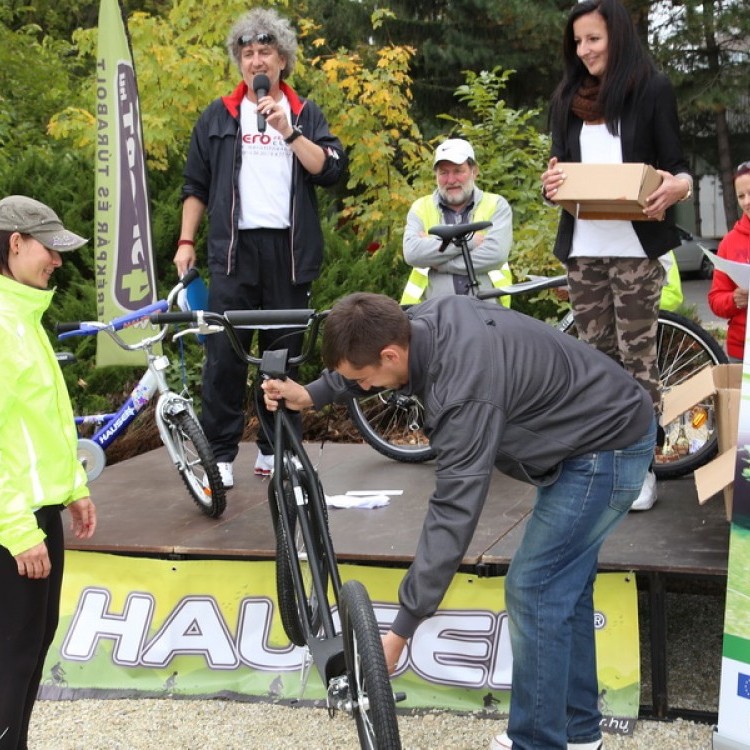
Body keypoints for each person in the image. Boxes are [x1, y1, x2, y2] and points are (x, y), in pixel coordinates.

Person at [262, 291, 656, 750]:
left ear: (391, 353)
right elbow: (363, 368)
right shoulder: (426, 319)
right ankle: (578, 733)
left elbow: (454, 510)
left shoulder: (464, 394)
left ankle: (537, 743)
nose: (364, 389)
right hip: (598, 430)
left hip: (606, 451)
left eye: (365, 379)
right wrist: (311, 393)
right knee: (563, 589)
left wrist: (402, 628)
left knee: (533, 588)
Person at [174, 7, 347, 488]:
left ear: (283, 61)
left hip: (289, 252)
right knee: (224, 356)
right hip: (233, 251)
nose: (256, 62)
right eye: (247, 54)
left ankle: (277, 447)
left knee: (282, 356)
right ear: (239, 64)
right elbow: (196, 185)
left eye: (265, 52)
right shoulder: (219, 114)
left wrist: (289, 131)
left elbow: (332, 171)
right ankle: (220, 455)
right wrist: (186, 241)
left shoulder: (305, 112)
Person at [541, 0, 693, 512]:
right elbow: (559, 176)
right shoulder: (566, 97)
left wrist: (675, 189)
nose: (584, 51)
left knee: (636, 361)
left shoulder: (651, 88)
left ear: (618, 38)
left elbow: (679, 169)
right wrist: (550, 185)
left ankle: (641, 468)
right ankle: (605, 465)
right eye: (578, 42)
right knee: (596, 363)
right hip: (584, 249)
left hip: (635, 248)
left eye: (594, 40)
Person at [0, 195, 97, 749]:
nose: (57, 261)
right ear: (15, 243)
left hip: (38, 514)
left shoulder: (24, 314)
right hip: (14, 526)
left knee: (31, 649)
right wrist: (16, 528)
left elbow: (40, 420)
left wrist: (73, 487)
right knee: (11, 658)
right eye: (50, 249)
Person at [401, 138, 513, 305]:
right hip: (435, 315)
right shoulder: (420, 208)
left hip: (486, 313)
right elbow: (412, 253)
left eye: (458, 171)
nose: (451, 180)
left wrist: (438, 260)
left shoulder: (497, 205)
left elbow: (495, 255)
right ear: (436, 176)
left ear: (474, 171)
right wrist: (470, 242)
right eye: (443, 173)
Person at [708, 161, 750, 363]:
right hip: (741, 351)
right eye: (741, 196)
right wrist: (734, 300)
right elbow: (715, 299)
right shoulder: (729, 242)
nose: (746, 202)